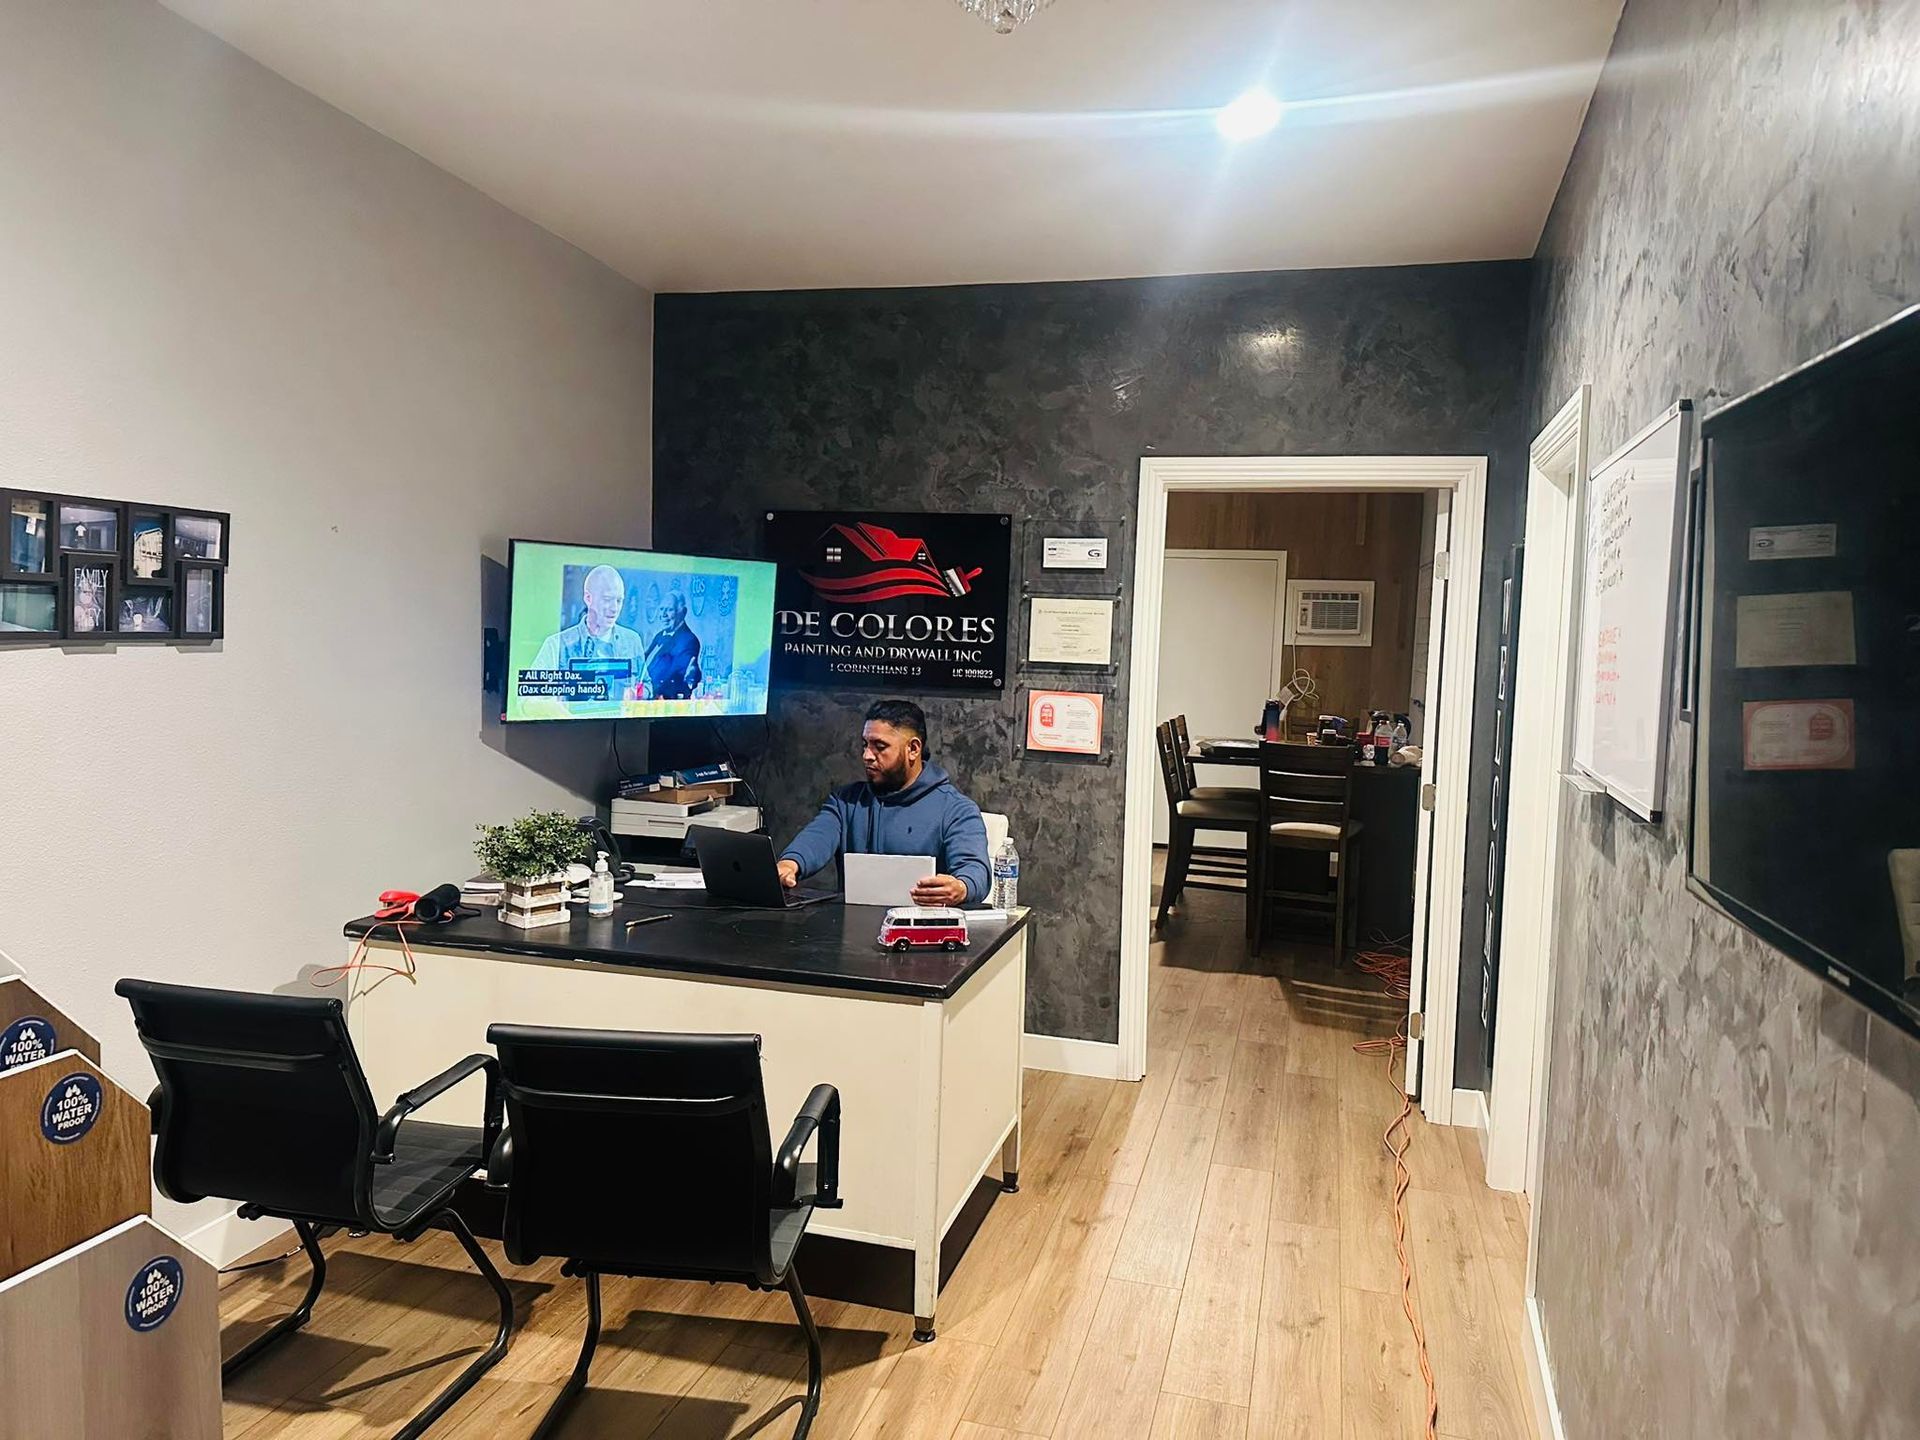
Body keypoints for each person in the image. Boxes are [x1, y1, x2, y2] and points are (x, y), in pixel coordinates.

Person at [778, 699, 991, 907]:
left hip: (923, 935)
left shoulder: (956, 810)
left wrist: (961, 887)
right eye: (865, 745)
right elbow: (816, 838)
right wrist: (790, 863)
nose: (867, 756)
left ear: (913, 749)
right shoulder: (846, 802)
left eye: (879, 746)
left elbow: (975, 872)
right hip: (850, 932)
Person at [531, 565, 644, 670]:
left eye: (619, 601)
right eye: (607, 599)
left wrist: (635, 691)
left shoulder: (633, 641)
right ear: (588, 598)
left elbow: (645, 685)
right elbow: (533, 689)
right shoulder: (556, 645)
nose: (614, 608)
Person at [643, 591, 703, 700]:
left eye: (670, 610)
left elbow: (673, 679)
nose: (663, 615)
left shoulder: (689, 640)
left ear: (683, 612)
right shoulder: (660, 635)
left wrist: (647, 693)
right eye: (661, 609)